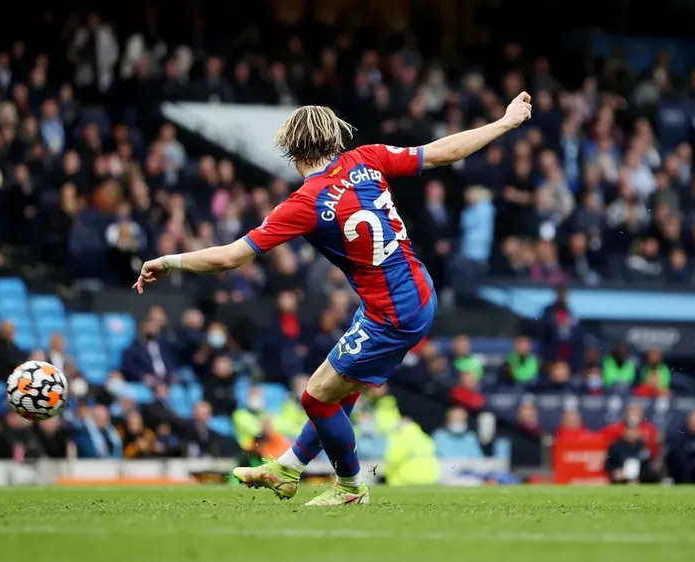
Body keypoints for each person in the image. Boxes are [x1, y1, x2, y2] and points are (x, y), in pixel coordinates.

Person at [133, 94, 533, 505]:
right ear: (334, 137)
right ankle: (287, 468)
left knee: (315, 395)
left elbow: (232, 256)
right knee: (339, 388)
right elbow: (442, 152)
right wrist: (504, 122)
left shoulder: (304, 203)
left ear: (292, 150)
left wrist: (169, 260)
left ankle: (350, 487)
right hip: (416, 290)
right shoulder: (367, 158)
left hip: (392, 311)